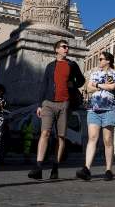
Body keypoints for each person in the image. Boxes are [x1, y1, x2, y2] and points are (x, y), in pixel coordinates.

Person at [28, 40, 85, 180]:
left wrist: (73, 84)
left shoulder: (72, 64)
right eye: (64, 47)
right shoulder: (50, 66)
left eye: (67, 47)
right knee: (45, 133)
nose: (67, 49)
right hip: (48, 103)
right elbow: (44, 84)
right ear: (57, 50)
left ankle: (55, 167)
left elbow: (82, 80)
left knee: (61, 136)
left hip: (64, 103)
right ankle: (39, 167)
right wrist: (39, 105)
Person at [76, 50, 115, 181]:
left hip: (109, 109)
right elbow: (88, 88)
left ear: (108, 61)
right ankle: (86, 169)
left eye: (101, 59)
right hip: (93, 109)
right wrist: (101, 86)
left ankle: (108, 170)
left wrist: (97, 85)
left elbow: (112, 86)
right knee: (92, 138)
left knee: (107, 140)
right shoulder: (94, 73)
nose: (99, 61)